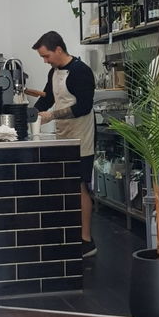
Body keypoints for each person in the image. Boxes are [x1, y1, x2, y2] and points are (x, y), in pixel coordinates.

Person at [32, 31, 97, 257]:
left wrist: (52, 116)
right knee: (67, 185)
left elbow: (84, 107)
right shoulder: (54, 71)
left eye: (46, 56)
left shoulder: (81, 71)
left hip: (82, 136)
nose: (45, 60)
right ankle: (71, 234)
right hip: (64, 134)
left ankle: (86, 240)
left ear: (58, 49)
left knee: (80, 186)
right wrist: (30, 113)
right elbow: (48, 98)